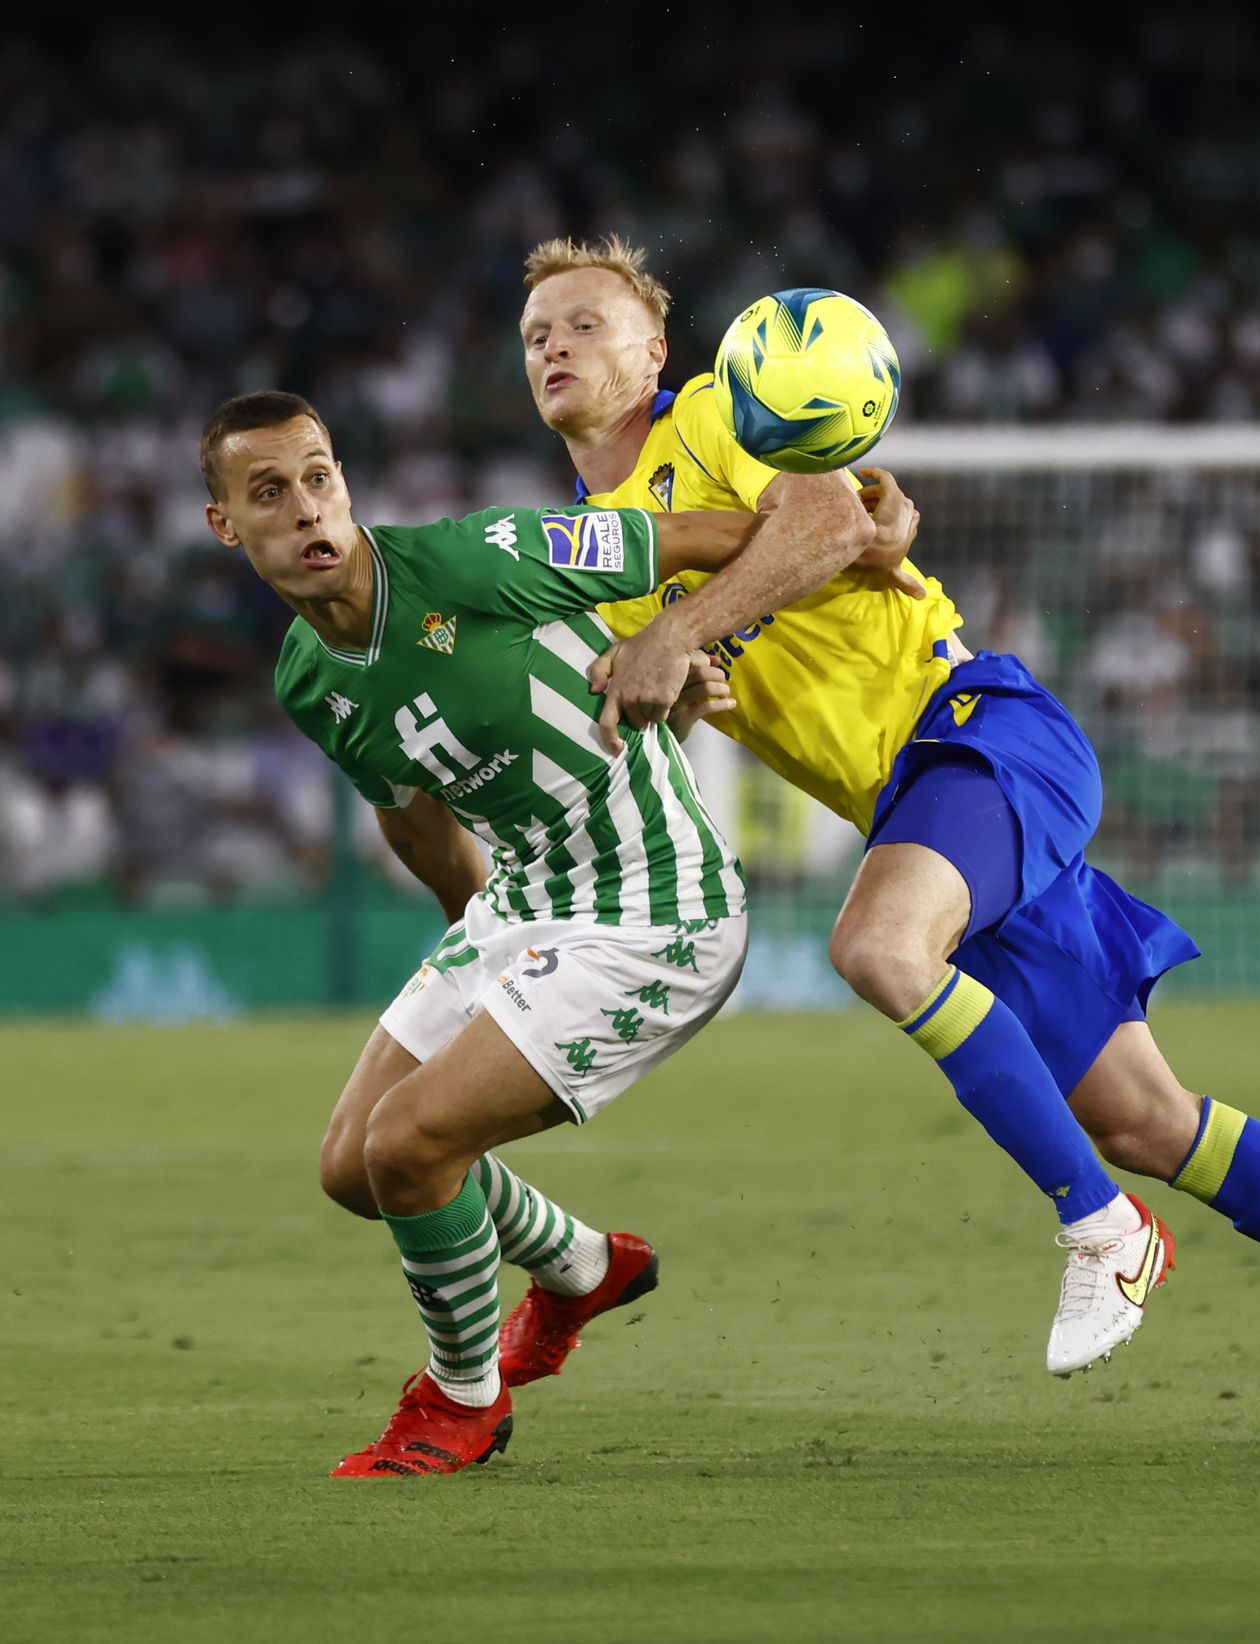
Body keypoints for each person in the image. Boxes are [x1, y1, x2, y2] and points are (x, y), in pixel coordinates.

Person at [515, 237, 1260, 1460]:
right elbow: (701, 673)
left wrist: (688, 626)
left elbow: (834, 514)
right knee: (1147, 1122)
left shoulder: (721, 418)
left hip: (976, 732)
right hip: (919, 808)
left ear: (655, 351)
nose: (555, 344)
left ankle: (1103, 1231)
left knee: (878, 947)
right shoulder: (589, 553)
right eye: (536, 334)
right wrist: (683, 685)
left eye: (584, 322)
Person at [199, 389, 872, 1477]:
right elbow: (411, 814)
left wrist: (703, 619)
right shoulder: (307, 678)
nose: (306, 508)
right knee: (353, 1167)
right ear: (225, 524)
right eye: (268, 492)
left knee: (408, 1145)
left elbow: (741, 535)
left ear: (345, 481)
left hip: (657, 906)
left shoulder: (482, 556)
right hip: (523, 903)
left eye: (318, 477)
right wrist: (474, 951)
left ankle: (463, 1402)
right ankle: (585, 1268)